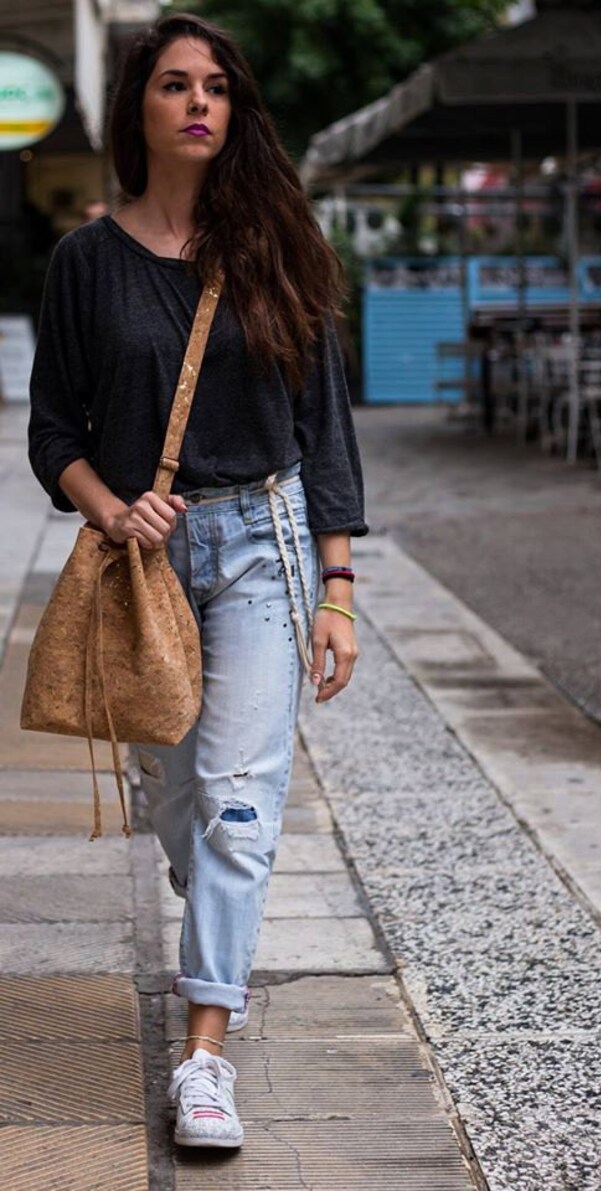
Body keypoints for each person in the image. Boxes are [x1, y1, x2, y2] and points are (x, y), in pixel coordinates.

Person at [27, 11, 368, 1150]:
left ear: (235, 108)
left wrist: (338, 586)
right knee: (182, 807)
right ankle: (202, 880)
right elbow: (49, 432)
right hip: (147, 565)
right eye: (173, 85)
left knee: (235, 805)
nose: (197, 103)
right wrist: (110, 503)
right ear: (140, 109)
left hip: (264, 549)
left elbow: (323, 425)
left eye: (216, 86)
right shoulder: (84, 262)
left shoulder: (274, 242)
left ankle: (204, 1058)